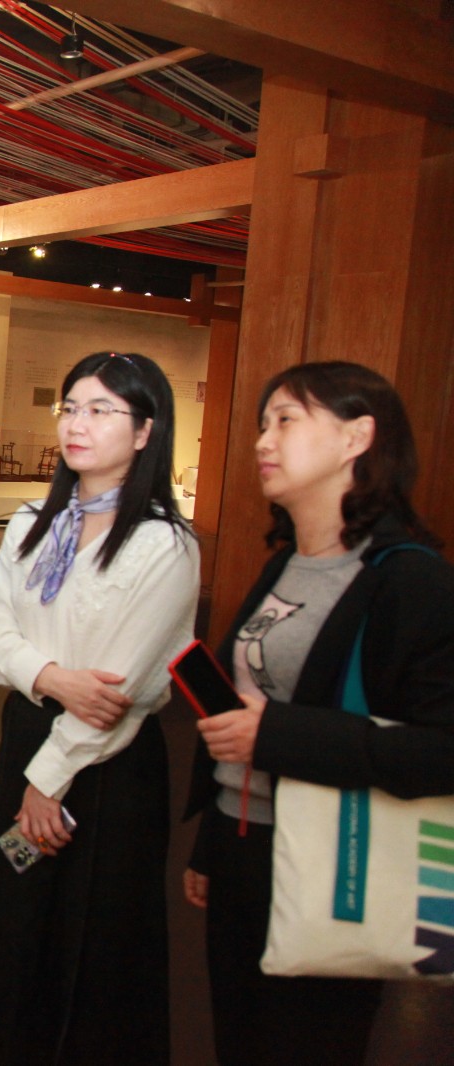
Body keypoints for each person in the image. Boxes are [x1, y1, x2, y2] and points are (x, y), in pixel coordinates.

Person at [183, 361, 454, 1065]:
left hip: (336, 860)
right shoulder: (283, 564)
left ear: (356, 437)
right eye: (262, 423)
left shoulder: (410, 578)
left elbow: (441, 750)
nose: (262, 440)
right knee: (239, 1041)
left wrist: (278, 735)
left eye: (286, 420)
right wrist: (213, 843)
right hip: (243, 845)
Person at [0, 351, 198, 1065]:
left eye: (101, 410)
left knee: (96, 928)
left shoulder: (163, 544)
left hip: (107, 765)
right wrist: (53, 677)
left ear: (145, 432)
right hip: (28, 737)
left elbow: (120, 688)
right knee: (15, 902)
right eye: (71, 408)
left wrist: (47, 781)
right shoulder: (32, 522)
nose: (77, 424)